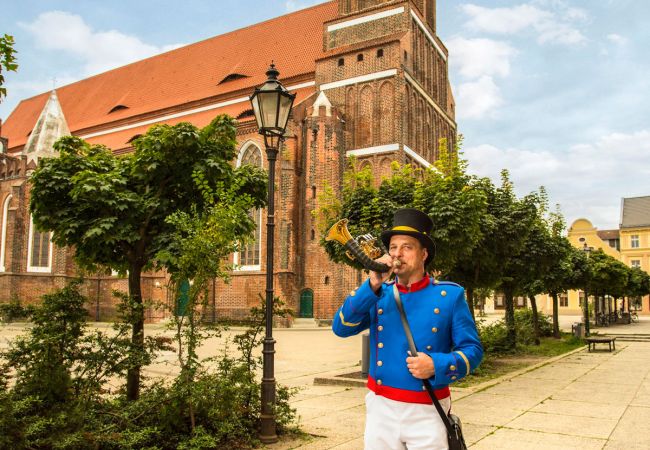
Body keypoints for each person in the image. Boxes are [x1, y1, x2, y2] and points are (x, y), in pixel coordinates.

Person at [332, 208, 483, 450]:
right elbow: (341, 328)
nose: (397, 254)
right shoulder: (377, 294)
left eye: (407, 247)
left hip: (427, 409)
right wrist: (371, 284)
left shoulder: (449, 295)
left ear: (423, 254)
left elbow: (472, 351)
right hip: (380, 408)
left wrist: (437, 364)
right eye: (393, 247)